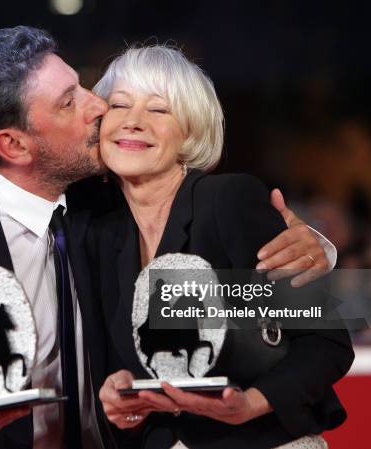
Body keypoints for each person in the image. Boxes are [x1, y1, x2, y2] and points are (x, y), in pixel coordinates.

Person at [0, 27, 336, 449]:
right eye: (71, 102)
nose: (101, 108)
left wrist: (317, 248)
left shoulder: (103, 206)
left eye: (86, 87)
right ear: (14, 144)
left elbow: (310, 327)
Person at [90, 46, 354, 449]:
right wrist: (122, 394)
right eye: (119, 104)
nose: (133, 121)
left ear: (190, 133)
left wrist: (249, 403)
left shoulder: (227, 201)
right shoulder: (103, 233)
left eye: (159, 110)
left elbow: (326, 341)